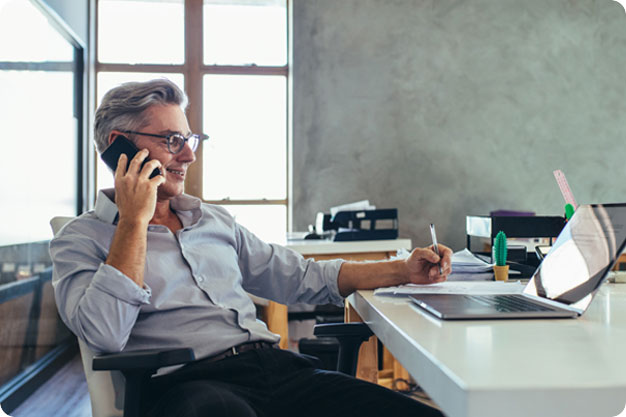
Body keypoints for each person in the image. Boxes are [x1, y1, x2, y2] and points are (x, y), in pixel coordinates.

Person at [50, 78, 453, 417]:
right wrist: (135, 221)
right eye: (173, 140)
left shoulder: (213, 221)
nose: (189, 155)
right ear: (119, 146)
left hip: (278, 372)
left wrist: (404, 269)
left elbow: (306, 277)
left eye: (190, 139)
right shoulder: (81, 239)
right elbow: (104, 334)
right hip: (191, 388)